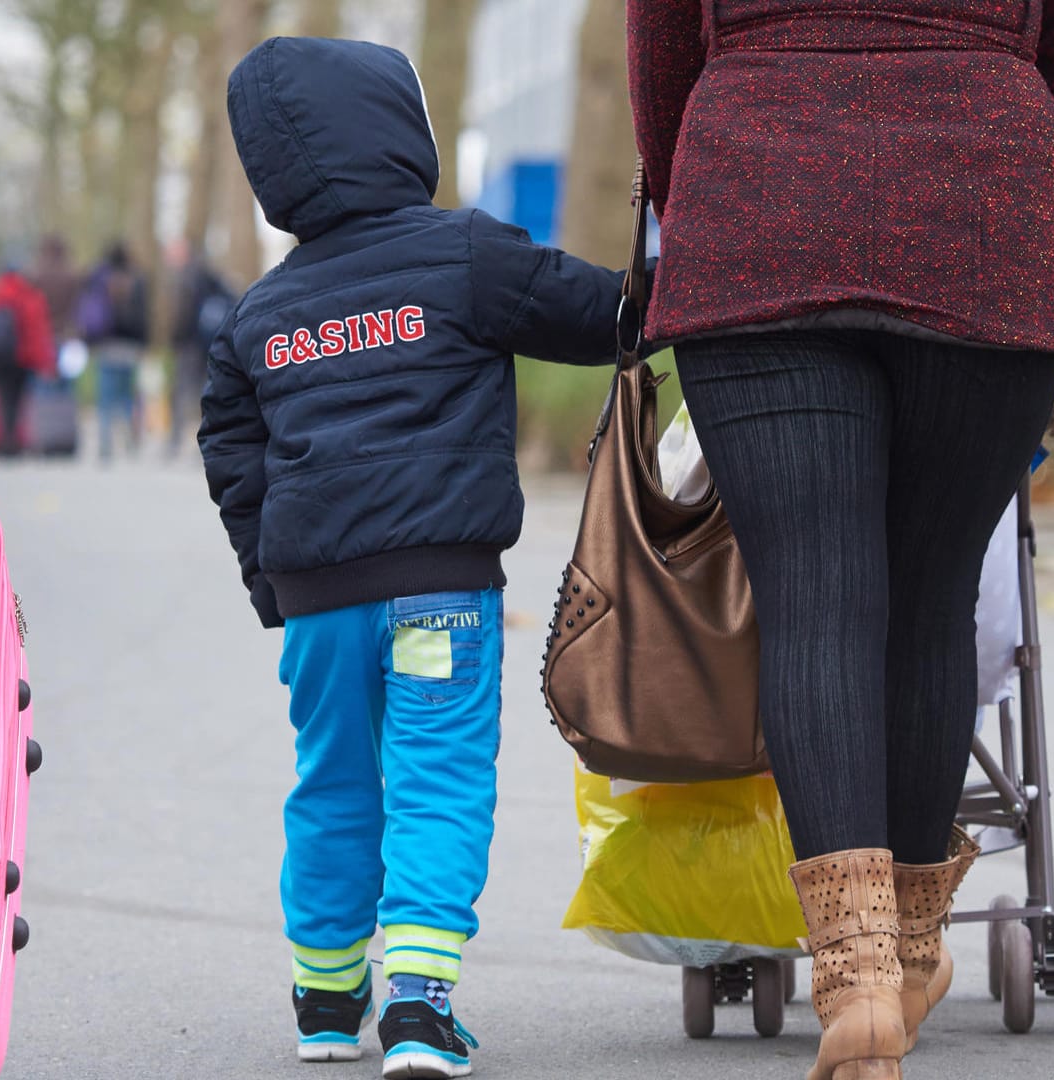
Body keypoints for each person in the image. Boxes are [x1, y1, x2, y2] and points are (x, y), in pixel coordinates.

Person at [626, 2, 1054, 1076]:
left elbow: (661, 63)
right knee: (929, 599)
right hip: (984, 218)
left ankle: (853, 977)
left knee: (814, 597)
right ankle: (910, 957)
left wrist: (714, 194)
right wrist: (1037, 156)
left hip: (759, 213)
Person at [200, 37, 626, 1079]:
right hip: (439, 593)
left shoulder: (260, 316)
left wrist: (277, 590)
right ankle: (422, 1009)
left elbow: (234, 461)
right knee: (436, 778)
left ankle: (325, 999)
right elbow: (602, 314)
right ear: (404, 134)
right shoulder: (466, 256)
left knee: (333, 782)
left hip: (320, 608)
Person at [0, 261, 58, 457]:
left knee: (0, 398)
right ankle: (14, 441)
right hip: (22, 358)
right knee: (18, 401)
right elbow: (37, 330)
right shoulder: (29, 296)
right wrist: (44, 361)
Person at [80, 243, 151, 461]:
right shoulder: (137, 280)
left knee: (106, 399)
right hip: (130, 347)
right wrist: (143, 344)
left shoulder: (100, 279)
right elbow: (143, 315)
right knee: (129, 397)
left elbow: (90, 309)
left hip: (107, 345)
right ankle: (130, 441)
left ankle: (105, 444)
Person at [168, 245, 236, 456]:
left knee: (181, 392)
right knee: (205, 393)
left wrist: (176, 338)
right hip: (209, 344)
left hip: (189, 346)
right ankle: (207, 440)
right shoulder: (212, 279)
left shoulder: (187, 280)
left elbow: (183, 315)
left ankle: (176, 441)